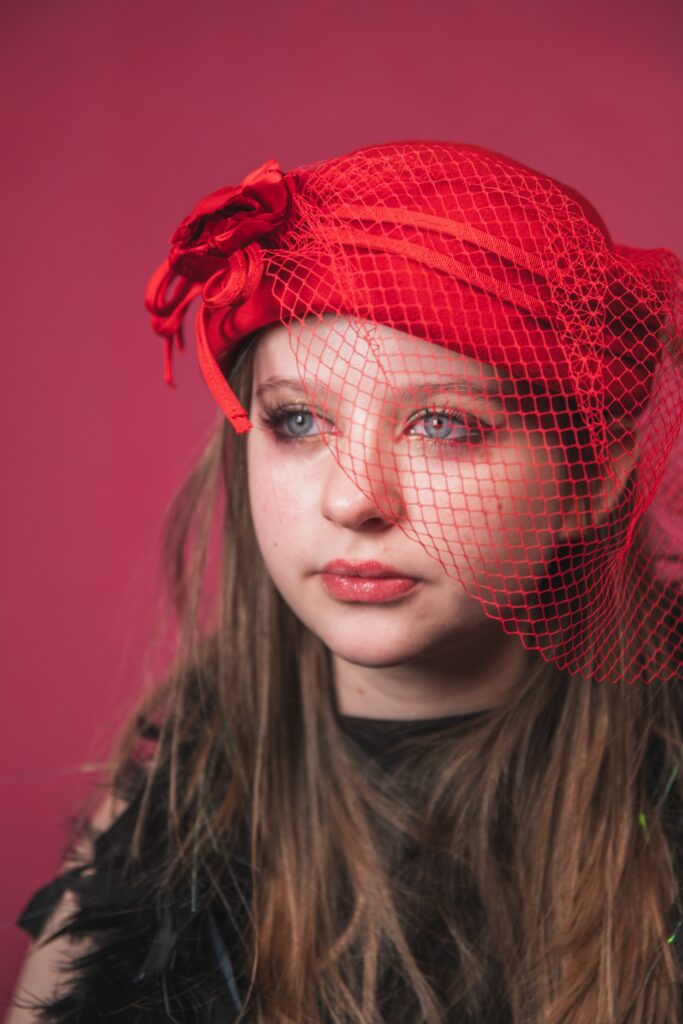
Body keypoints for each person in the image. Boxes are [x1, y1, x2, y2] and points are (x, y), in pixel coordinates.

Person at [6, 141, 683, 1023]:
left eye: (443, 425)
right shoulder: (150, 836)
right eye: (297, 420)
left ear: (591, 480)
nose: (352, 498)